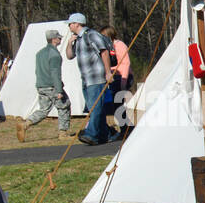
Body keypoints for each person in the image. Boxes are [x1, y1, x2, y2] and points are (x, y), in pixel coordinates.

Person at [64, 12, 115, 146]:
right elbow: (69, 56)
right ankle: (105, 134)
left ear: (77, 24)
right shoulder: (78, 39)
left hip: (96, 77)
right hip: (86, 78)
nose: (69, 26)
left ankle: (91, 134)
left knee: (95, 107)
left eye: (70, 23)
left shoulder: (91, 35)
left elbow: (104, 52)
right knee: (95, 107)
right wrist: (70, 43)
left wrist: (108, 72)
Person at [25, 29, 71, 141]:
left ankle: (25, 124)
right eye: (59, 38)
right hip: (52, 86)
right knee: (64, 106)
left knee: (44, 110)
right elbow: (55, 73)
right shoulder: (55, 55)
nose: (60, 39)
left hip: (41, 85)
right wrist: (59, 90)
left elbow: (38, 71)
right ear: (54, 40)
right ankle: (63, 133)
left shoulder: (40, 53)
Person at [99, 25, 132, 132]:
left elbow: (125, 63)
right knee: (115, 106)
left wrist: (124, 81)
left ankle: (126, 130)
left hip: (122, 76)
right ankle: (125, 128)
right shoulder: (108, 47)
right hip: (113, 78)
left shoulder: (119, 45)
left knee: (118, 105)